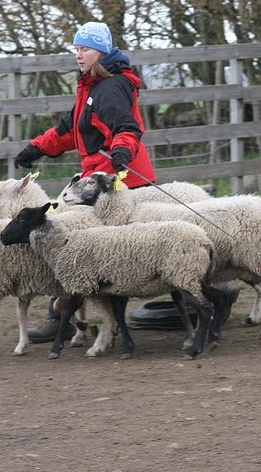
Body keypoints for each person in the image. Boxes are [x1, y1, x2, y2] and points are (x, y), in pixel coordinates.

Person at [15, 21, 156, 343]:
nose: (78, 55)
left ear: (102, 52)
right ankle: (66, 316)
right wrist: (36, 147)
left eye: (85, 49)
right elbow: (71, 130)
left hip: (118, 181)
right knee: (79, 243)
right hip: (95, 179)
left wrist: (121, 150)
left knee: (73, 241)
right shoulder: (91, 86)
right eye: (76, 49)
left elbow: (126, 128)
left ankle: (63, 317)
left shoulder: (110, 88)